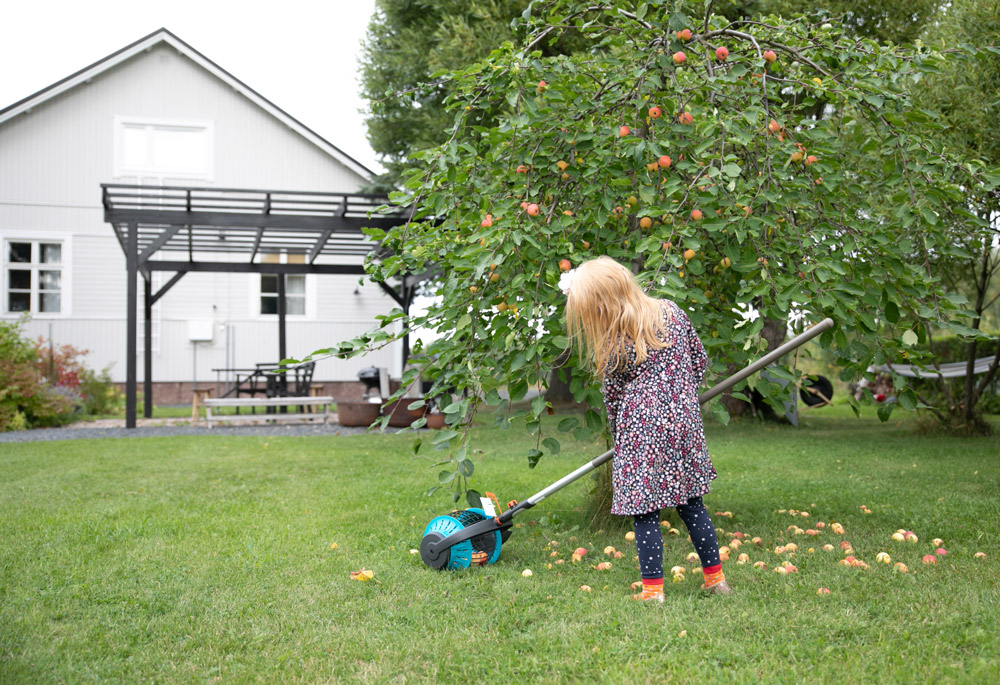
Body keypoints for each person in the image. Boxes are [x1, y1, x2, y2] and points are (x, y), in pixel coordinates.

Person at [563, 256, 729, 602]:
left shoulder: (614, 341)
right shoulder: (672, 312)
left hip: (640, 430)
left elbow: (614, 400)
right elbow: (698, 361)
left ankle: (653, 591)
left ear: (601, 306)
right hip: (684, 424)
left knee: (644, 510)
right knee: (691, 503)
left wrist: (622, 437)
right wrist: (678, 395)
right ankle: (716, 581)